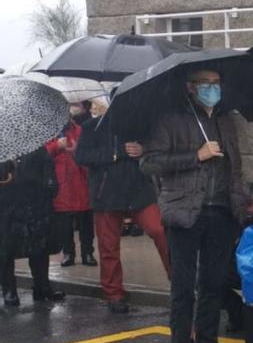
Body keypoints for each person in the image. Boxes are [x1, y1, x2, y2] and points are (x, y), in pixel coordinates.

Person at [140, 68, 253, 343]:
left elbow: (234, 168)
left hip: (221, 211)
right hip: (185, 211)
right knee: (183, 287)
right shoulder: (171, 119)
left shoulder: (225, 120)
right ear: (191, 87)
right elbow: (150, 162)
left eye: (216, 83)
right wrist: (196, 155)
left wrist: (245, 198)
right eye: (205, 83)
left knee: (214, 283)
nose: (212, 88)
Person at [75, 101, 171, 314]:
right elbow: (81, 156)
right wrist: (116, 153)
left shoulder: (142, 126)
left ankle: (179, 284)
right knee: (109, 246)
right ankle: (114, 294)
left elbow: (159, 151)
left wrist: (144, 150)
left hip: (139, 193)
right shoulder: (92, 127)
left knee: (161, 231)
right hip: (106, 195)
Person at [0, 148, 63, 307]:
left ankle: (42, 287)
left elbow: (49, 176)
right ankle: (9, 291)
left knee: (40, 248)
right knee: (6, 250)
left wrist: (49, 182)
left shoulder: (36, 149)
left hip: (35, 205)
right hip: (7, 208)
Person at [47, 102, 96, 268]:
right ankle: (68, 253)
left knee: (86, 224)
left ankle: (88, 252)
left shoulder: (81, 131)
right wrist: (56, 147)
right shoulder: (49, 134)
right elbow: (43, 156)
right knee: (64, 225)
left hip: (81, 183)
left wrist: (76, 150)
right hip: (61, 187)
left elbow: (90, 154)